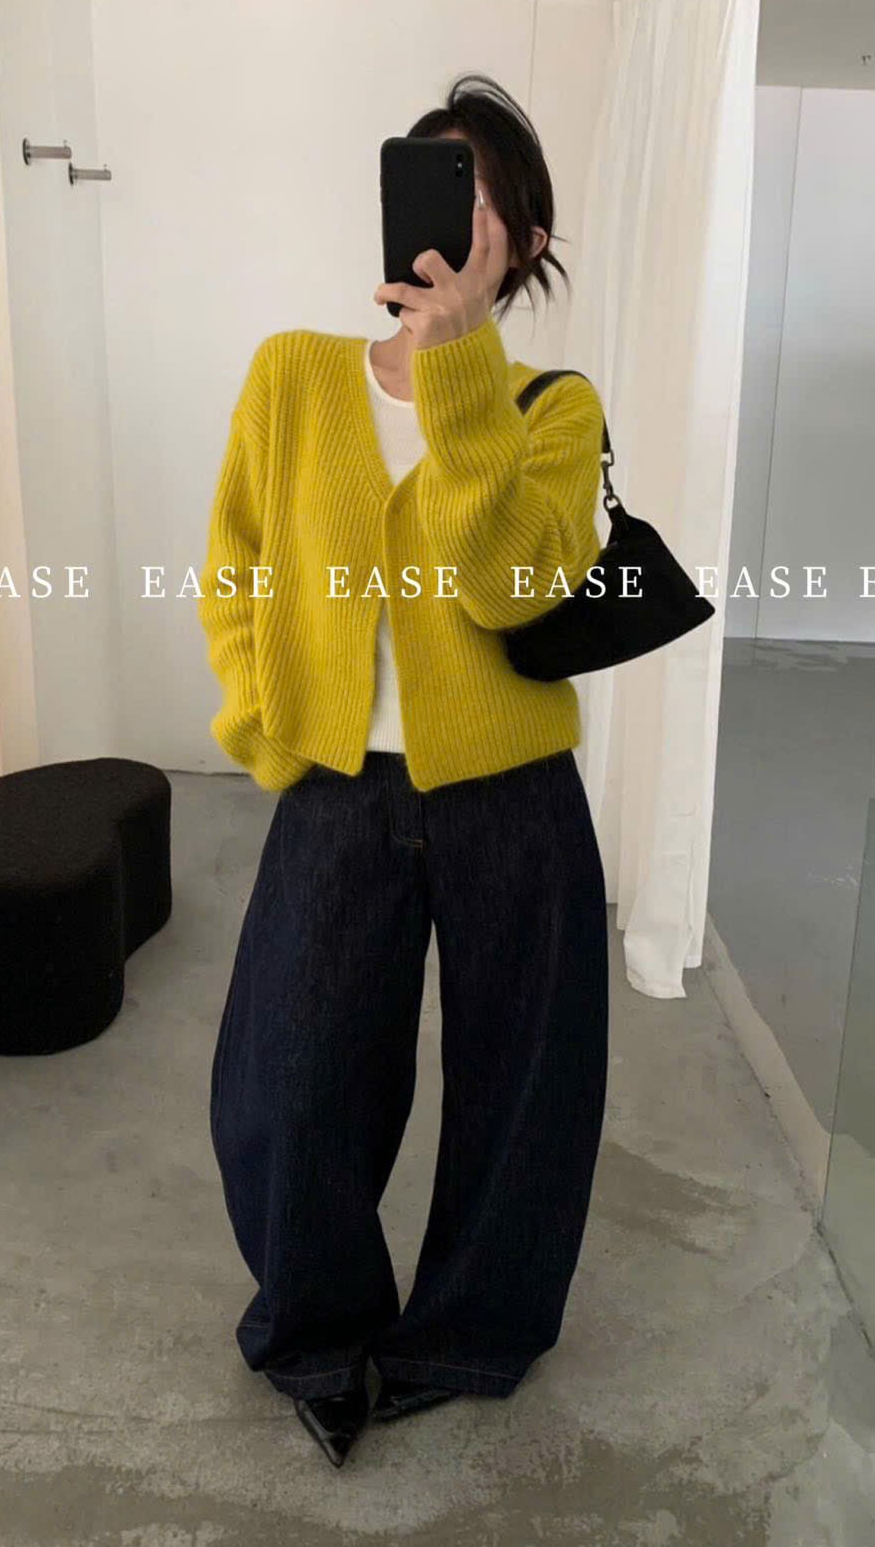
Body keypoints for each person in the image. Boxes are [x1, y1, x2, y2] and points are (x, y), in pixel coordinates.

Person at [196, 73, 610, 1469]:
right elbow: (237, 562)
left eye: (484, 192)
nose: (457, 211)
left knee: (525, 1083)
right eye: (437, 178)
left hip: (512, 792)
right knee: (289, 1079)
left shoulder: (553, 410)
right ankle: (316, 1330)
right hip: (337, 789)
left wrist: (462, 374)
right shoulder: (293, 374)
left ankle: (469, 1333)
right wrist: (260, 718)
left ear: (524, 242)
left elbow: (510, 587)